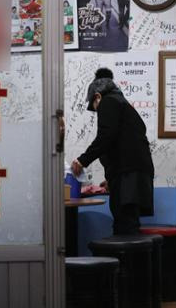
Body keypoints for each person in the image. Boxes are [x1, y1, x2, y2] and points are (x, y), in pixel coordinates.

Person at [71, 68, 154, 235]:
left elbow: (105, 137)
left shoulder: (109, 102)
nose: (96, 110)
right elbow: (119, 143)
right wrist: (112, 177)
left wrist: (82, 160)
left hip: (129, 176)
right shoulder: (122, 104)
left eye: (94, 107)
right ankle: (128, 261)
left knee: (124, 226)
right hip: (134, 174)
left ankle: (125, 261)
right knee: (128, 222)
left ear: (97, 97)